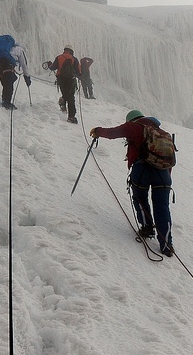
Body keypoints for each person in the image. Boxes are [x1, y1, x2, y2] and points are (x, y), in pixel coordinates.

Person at [90, 110, 175, 256]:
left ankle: (147, 227)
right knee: (162, 207)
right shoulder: (162, 132)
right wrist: (166, 177)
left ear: (132, 120)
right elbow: (168, 158)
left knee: (139, 198)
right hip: (163, 174)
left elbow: (113, 133)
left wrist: (97, 131)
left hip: (142, 170)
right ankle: (166, 244)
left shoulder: (135, 127)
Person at [0, 35, 31, 110]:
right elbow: (24, 65)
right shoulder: (20, 50)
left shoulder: (7, 49)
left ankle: (5, 100)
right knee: (9, 82)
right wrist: (27, 77)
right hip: (6, 63)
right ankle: (7, 103)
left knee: (6, 82)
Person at [47, 45, 81, 123]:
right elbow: (78, 72)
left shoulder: (59, 57)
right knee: (71, 97)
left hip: (61, 79)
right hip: (71, 80)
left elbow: (53, 67)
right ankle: (71, 117)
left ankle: (63, 102)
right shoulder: (74, 59)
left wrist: (49, 64)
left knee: (65, 93)